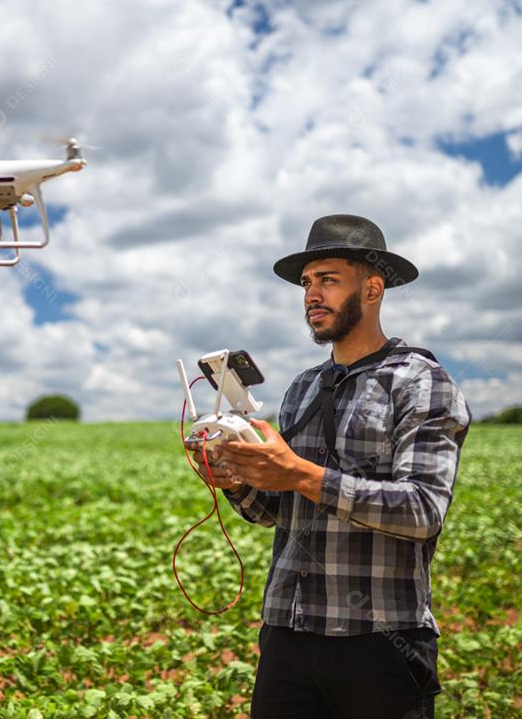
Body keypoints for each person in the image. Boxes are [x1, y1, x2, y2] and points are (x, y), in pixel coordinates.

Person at [187, 214, 472, 719]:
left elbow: (423, 511)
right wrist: (234, 478)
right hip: (288, 633)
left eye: (328, 280)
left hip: (380, 641)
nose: (311, 295)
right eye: (306, 283)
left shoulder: (420, 382)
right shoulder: (302, 387)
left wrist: (298, 472)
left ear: (373, 288)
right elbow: (276, 511)